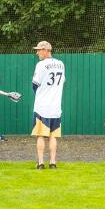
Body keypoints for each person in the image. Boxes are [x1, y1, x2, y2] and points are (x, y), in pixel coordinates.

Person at [31, 41, 65, 169]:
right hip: (56, 107)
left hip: (42, 106)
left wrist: (40, 94)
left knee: (40, 135)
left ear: (46, 50)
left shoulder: (41, 65)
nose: (37, 52)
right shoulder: (61, 64)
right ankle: (53, 163)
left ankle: (40, 163)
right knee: (53, 136)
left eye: (39, 50)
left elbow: (34, 85)